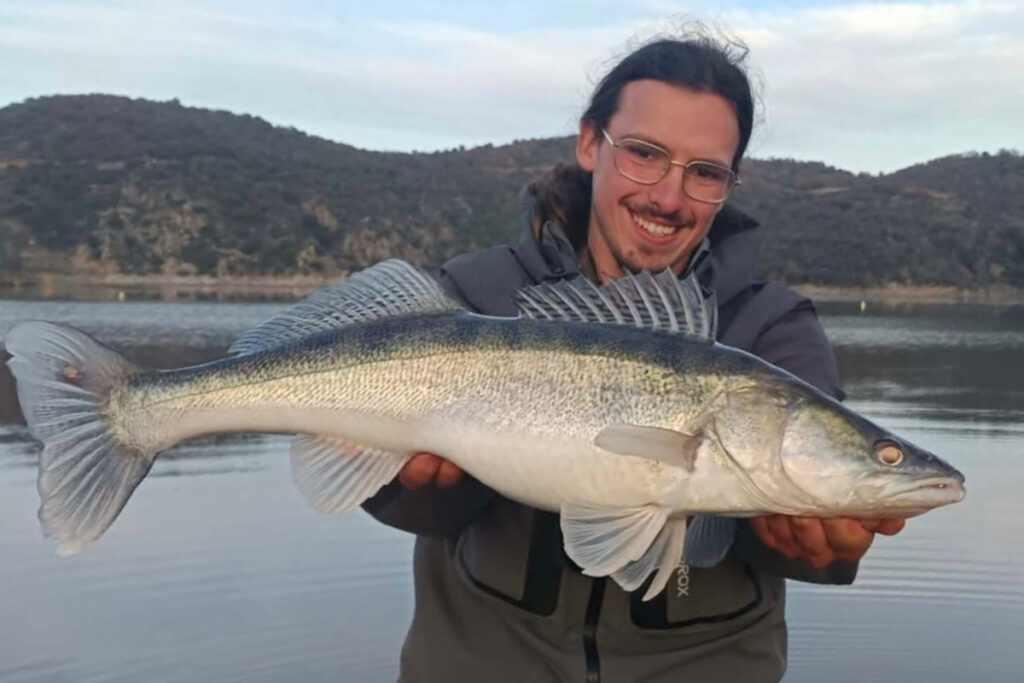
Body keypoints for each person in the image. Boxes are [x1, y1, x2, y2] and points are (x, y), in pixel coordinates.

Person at [364, 32, 904, 683]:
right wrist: (414, 486)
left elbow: (815, 518)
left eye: (704, 172)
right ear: (590, 144)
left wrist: (821, 546)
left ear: (729, 184)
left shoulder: (771, 326)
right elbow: (410, 509)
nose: (668, 198)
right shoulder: (480, 294)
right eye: (644, 154)